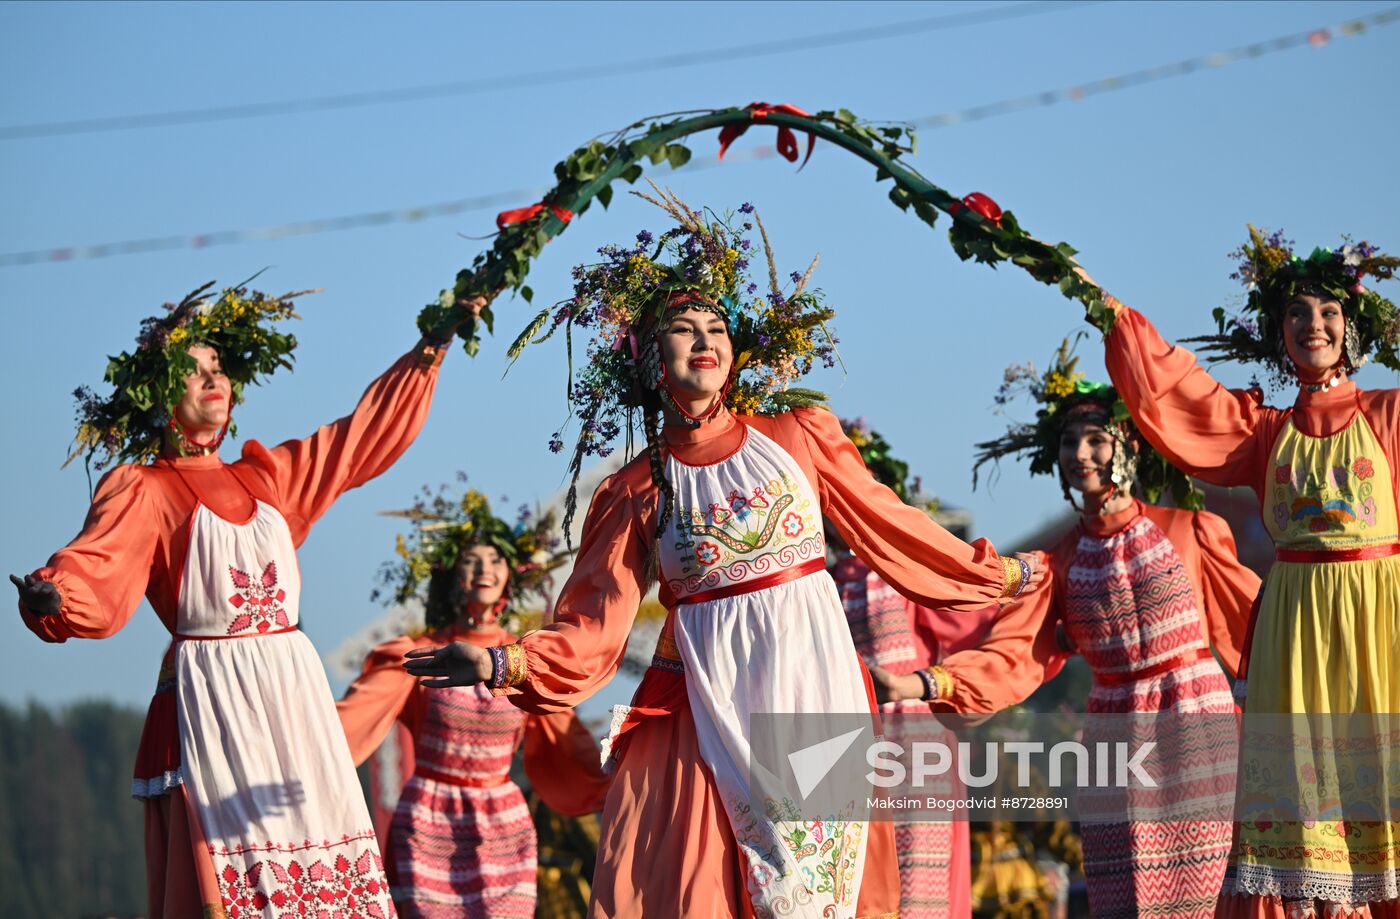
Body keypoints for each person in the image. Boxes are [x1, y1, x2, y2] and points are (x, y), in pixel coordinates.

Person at [403, 186, 1042, 919]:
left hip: (813, 679)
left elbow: (890, 524)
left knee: (818, 891)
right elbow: (594, 624)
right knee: (713, 880)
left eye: (716, 325)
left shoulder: (799, 434)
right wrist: (498, 661)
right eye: (682, 327)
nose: (704, 337)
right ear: (646, 357)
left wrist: (996, 574)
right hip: (706, 694)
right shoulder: (637, 487)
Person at [11, 280, 480, 918]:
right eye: (193, 371)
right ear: (155, 393)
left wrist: (433, 343)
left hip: (291, 696)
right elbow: (97, 566)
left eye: (219, 367)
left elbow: (357, 438)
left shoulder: (268, 477)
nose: (213, 379)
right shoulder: (142, 488)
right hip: (211, 700)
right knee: (230, 882)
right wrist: (52, 594)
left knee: (317, 873)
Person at [1079, 228, 1400, 917]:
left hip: (1380, 622)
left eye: (1328, 313)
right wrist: (1114, 316)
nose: (1312, 326)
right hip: (1294, 628)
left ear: (1352, 329)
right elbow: (1185, 394)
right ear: (1278, 332)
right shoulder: (1264, 432)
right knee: (1306, 819)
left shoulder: (1389, 412)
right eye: (1297, 315)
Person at [886, 338, 1259, 916]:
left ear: (1129, 448)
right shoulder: (1056, 562)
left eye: (1095, 440)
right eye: (1069, 443)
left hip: (1196, 719)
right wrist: (922, 684)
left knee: (1211, 889)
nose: (1081, 454)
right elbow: (1014, 653)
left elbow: (1254, 627)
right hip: (1114, 728)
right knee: (1128, 893)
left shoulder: (1193, 530)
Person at [337, 487, 610, 917]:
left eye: (495, 560)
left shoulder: (523, 661)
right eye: (472, 560)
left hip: (503, 821)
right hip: (429, 821)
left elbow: (567, 742)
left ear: (511, 573)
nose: (485, 569)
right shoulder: (418, 653)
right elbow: (350, 721)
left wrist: (621, 781)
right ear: (452, 573)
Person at [830, 416, 990, 918]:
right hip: (840, 752)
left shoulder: (905, 570)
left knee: (918, 893)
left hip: (914, 749)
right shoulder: (816, 582)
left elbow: (977, 626)